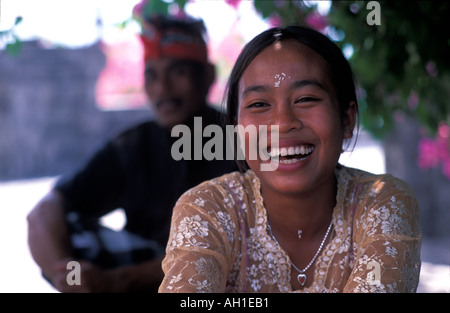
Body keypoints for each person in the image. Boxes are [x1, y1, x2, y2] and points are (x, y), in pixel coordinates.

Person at [158, 26, 422, 293]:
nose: (283, 123)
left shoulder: (382, 203)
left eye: (306, 99)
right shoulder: (208, 209)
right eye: (259, 104)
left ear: (347, 119)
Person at [27, 8, 237, 292]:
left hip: (213, 282)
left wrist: (121, 280)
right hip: (136, 278)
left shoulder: (238, 142)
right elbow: (44, 212)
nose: (162, 88)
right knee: (69, 229)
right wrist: (72, 277)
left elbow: (237, 246)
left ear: (207, 76)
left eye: (178, 72)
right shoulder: (133, 145)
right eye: (152, 75)